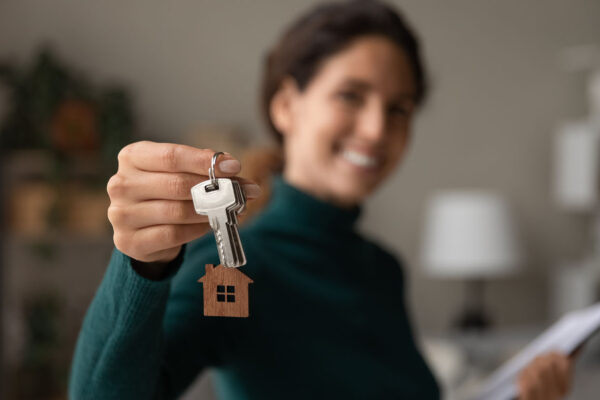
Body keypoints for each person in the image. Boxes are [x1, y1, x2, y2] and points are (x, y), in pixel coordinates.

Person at [69, 1, 576, 399]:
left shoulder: (381, 269)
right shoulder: (233, 268)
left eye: (398, 109)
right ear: (287, 105)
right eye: (351, 96)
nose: (377, 129)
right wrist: (142, 265)